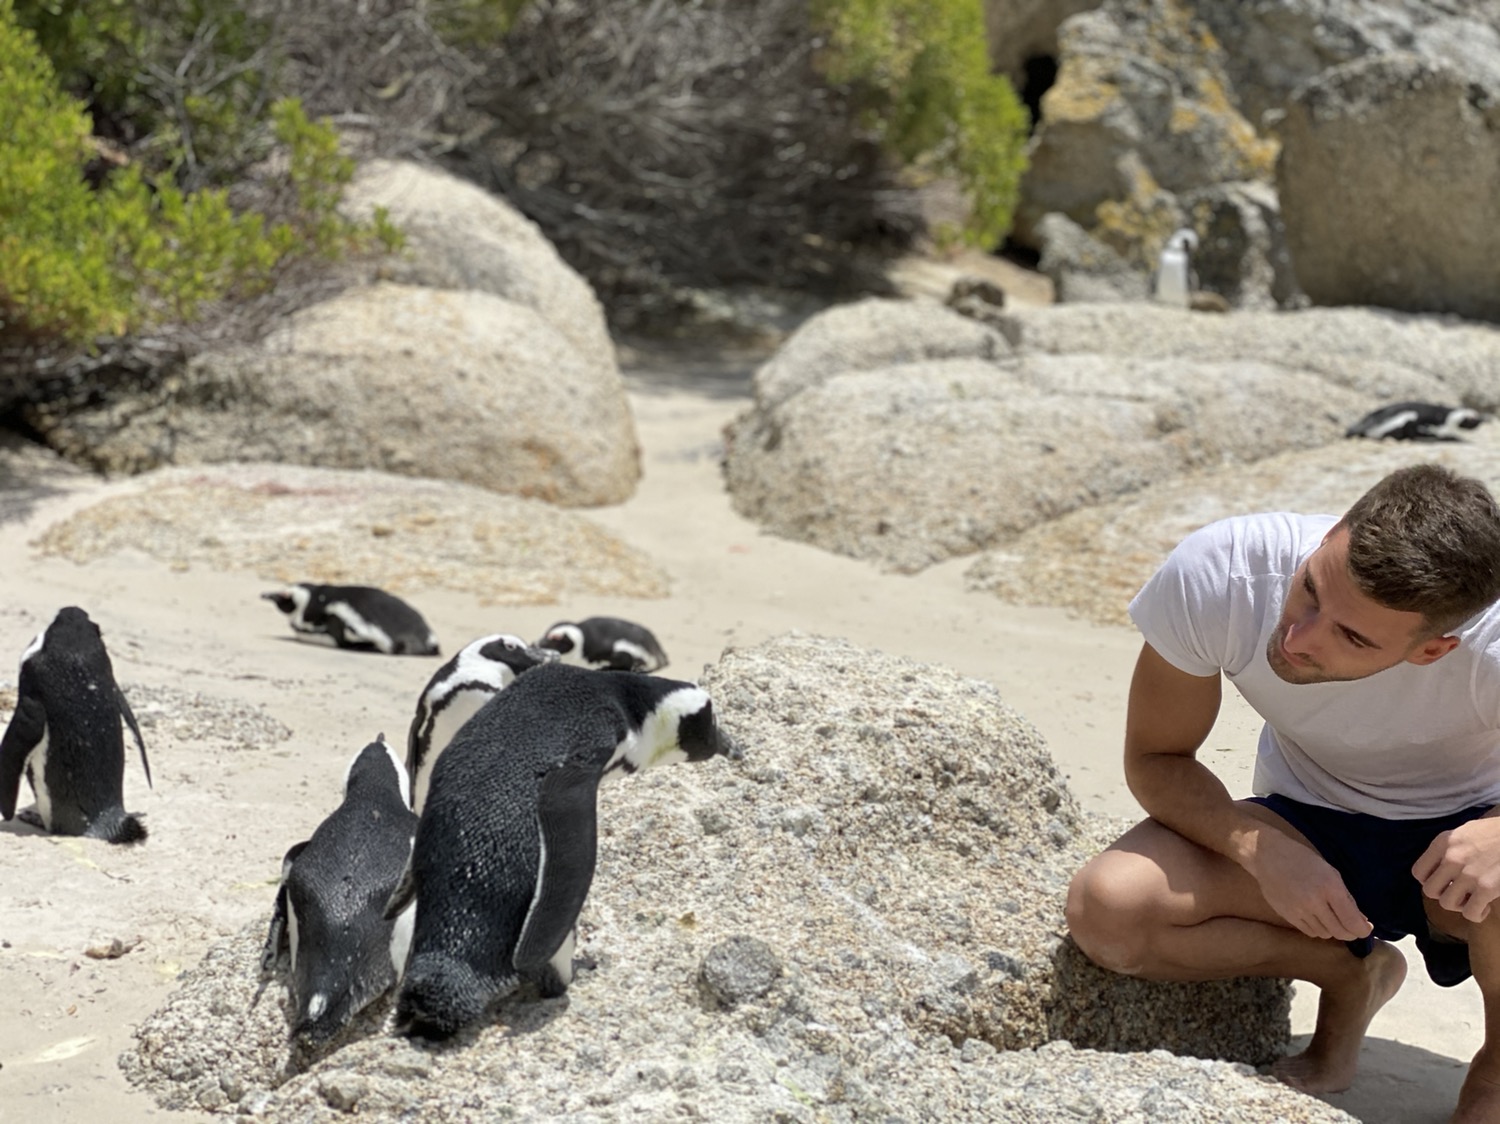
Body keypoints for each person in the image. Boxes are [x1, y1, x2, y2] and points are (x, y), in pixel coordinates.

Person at [1065, 463, 1500, 1123]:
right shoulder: (1224, 573)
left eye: (1351, 636)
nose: (1297, 639)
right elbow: (1156, 757)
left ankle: (1494, 1072)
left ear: (1433, 650)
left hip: (1470, 845)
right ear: (1331, 536)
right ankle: (1352, 973)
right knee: (1113, 910)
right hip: (1308, 823)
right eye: (1310, 590)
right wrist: (1259, 847)